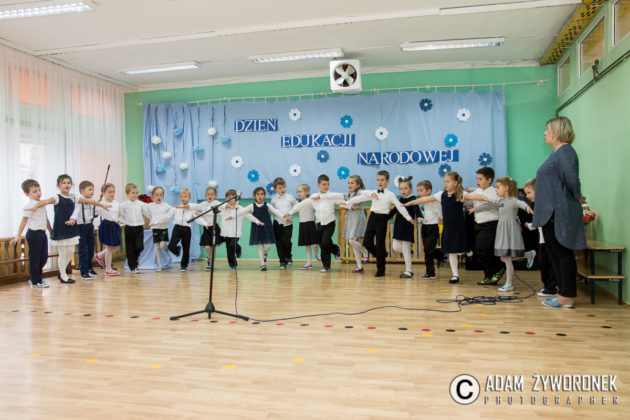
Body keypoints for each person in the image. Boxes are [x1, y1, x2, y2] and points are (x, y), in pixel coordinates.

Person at [532, 116, 586, 308]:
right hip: (550, 212)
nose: (544, 133)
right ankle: (562, 292)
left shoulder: (565, 153)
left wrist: (578, 196)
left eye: (547, 130)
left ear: (557, 131)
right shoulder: (557, 153)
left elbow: (572, 180)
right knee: (555, 254)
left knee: (562, 253)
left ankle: (566, 296)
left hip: (559, 211)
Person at [404, 172, 487, 284]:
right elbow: (425, 199)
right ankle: (455, 275)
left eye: (448, 182)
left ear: (456, 182)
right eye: (444, 182)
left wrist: (484, 198)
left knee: (461, 248)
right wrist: (410, 203)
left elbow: (472, 196)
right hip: (448, 227)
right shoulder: (441, 194)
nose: (445, 184)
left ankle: (467, 249)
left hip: (459, 226)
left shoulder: (460, 193)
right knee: (451, 251)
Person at [28, 174, 107, 283]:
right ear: (58, 185)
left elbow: (90, 201)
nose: (67, 185)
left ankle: (61, 272)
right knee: (63, 253)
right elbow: (45, 201)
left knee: (70, 253)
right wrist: (34, 207)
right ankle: (63, 275)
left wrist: (103, 206)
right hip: (61, 229)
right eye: (64, 183)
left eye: (68, 183)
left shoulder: (74, 197)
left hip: (71, 229)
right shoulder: (57, 197)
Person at [344, 170, 413, 278]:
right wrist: (347, 202)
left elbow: (399, 206)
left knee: (380, 243)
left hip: (382, 218)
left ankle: (381, 270)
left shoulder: (390, 194)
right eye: (378, 180)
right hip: (372, 217)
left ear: (387, 181)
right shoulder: (373, 192)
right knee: (367, 242)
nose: (380, 182)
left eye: (382, 180)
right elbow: (361, 196)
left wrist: (408, 218)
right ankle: (381, 254)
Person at [287, 174, 343, 273]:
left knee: (325, 242)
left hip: (330, 223)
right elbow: (301, 204)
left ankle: (334, 249)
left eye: (328, 184)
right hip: (319, 224)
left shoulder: (331, 196)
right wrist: (290, 212)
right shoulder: (314, 197)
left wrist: (349, 206)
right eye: (324, 184)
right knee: (322, 245)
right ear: (318, 185)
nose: (326, 186)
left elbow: (341, 199)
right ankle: (326, 265)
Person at [486, 177, 533, 292]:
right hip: (502, 230)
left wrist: (527, 207)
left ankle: (509, 284)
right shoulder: (500, 202)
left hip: (510, 230)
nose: (496, 190)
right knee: (504, 257)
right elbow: (489, 204)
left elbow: (521, 203)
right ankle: (528, 254)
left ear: (506, 188)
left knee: (506, 258)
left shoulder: (513, 200)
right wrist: (475, 208)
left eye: (498, 187)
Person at [10, 179, 52, 288]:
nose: (38, 193)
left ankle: (34, 277)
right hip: (34, 234)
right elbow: (24, 221)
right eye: (34, 191)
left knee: (44, 257)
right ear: (27, 194)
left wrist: (51, 230)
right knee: (35, 258)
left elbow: (46, 219)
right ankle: (36, 281)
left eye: (39, 190)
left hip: (42, 233)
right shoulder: (28, 206)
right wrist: (18, 235)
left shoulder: (41, 204)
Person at [152, 188, 204, 272]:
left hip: (187, 229)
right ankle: (177, 250)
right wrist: (157, 222)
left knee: (186, 248)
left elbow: (198, 219)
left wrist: (205, 224)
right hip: (177, 228)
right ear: (180, 198)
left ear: (189, 198)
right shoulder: (175, 208)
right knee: (171, 246)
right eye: (182, 196)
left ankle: (183, 266)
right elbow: (167, 216)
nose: (183, 198)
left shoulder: (192, 209)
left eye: (185, 196)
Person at [470, 167, 504, 286]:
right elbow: (466, 197)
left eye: (480, 179)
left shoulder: (494, 192)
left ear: (489, 180)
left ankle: (499, 268)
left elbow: (492, 204)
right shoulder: (476, 192)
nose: (477, 181)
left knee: (484, 249)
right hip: (478, 224)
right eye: (477, 179)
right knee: (480, 251)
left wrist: (477, 208)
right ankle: (488, 276)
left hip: (490, 224)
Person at [523, 178, 557, 297]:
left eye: (529, 193)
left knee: (548, 264)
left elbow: (541, 222)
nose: (527, 196)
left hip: (548, 240)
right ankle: (547, 286)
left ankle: (551, 287)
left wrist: (529, 225)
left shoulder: (544, 204)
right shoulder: (538, 205)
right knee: (543, 263)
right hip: (542, 239)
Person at [219, 189, 263, 270]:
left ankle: (239, 249)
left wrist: (257, 221)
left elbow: (249, 216)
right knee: (229, 249)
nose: (229, 199)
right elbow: (214, 209)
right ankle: (233, 265)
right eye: (227, 197)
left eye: (231, 197)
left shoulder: (240, 208)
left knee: (233, 245)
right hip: (226, 232)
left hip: (236, 232)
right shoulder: (223, 208)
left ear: (236, 198)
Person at [243, 187, 284, 271]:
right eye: (258, 194)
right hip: (257, 228)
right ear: (254, 196)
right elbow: (242, 211)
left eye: (262, 194)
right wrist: (233, 216)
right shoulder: (252, 205)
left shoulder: (267, 205)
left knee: (268, 246)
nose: (260, 196)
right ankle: (262, 264)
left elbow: (276, 212)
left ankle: (265, 253)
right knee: (260, 246)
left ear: (264, 195)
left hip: (267, 227)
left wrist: (284, 219)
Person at [388, 176, 421, 278]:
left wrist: (419, 217)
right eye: (401, 189)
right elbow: (394, 211)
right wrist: (384, 217)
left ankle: (408, 271)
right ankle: (409, 252)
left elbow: (416, 210)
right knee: (395, 247)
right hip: (398, 227)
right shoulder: (401, 199)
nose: (403, 191)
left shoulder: (413, 199)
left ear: (410, 189)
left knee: (405, 249)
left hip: (407, 227)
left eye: (405, 188)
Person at [69, 180, 101, 280]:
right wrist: (73, 219)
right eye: (90, 190)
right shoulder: (78, 200)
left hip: (90, 226)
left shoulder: (92, 202)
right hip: (80, 227)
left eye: (93, 190)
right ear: (82, 191)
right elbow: (76, 211)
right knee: (83, 250)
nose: (92, 192)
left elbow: (96, 213)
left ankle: (89, 267)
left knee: (91, 249)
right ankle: (84, 271)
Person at [118, 183, 151, 274]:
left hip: (139, 227)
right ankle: (133, 266)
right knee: (130, 248)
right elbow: (121, 215)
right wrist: (121, 221)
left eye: (136, 193)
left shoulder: (140, 204)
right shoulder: (123, 205)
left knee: (140, 246)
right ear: (127, 193)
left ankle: (135, 258)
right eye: (133, 193)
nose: (135, 195)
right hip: (129, 228)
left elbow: (147, 213)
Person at [187, 186, 222, 271]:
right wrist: (187, 206)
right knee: (207, 247)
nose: (210, 196)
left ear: (215, 196)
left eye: (212, 194)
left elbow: (220, 210)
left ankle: (211, 264)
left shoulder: (217, 203)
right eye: (208, 194)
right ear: (205, 195)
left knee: (213, 247)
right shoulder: (203, 204)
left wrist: (202, 213)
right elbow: (195, 206)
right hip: (206, 228)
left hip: (214, 228)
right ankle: (210, 258)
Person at [341, 175, 369, 273]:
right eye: (348, 183)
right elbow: (341, 203)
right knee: (353, 243)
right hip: (350, 219)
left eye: (352, 183)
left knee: (351, 241)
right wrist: (351, 207)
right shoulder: (348, 194)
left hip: (358, 219)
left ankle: (365, 252)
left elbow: (358, 199)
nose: (349, 185)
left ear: (358, 185)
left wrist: (348, 204)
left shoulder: (360, 192)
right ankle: (359, 266)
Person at [416, 180, 442, 279]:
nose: (419, 193)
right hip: (424, 227)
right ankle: (430, 272)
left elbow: (441, 214)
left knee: (428, 249)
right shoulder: (419, 202)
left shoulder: (434, 202)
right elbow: (419, 214)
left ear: (428, 191)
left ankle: (441, 255)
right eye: (418, 191)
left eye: (421, 190)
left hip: (433, 227)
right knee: (427, 251)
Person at [94, 183, 122, 276]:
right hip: (107, 226)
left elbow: (119, 213)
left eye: (113, 192)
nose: (112, 194)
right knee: (109, 248)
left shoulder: (116, 203)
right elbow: (106, 214)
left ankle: (99, 255)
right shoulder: (101, 204)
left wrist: (120, 220)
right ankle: (108, 269)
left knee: (116, 247)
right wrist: (116, 220)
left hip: (115, 226)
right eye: (109, 192)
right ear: (103, 193)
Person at [271, 177, 297, 269]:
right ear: (275, 189)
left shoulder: (290, 197)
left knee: (287, 242)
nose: (283, 189)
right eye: (280, 188)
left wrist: (290, 215)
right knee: (279, 243)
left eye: (284, 187)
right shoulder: (274, 199)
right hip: (277, 224)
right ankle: (282, 261)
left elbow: (296, 207)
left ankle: (288, 255)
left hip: (288, 224)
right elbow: (271, 211)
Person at [294, 184, 320, 270]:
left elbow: (317, 209)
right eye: (297, 192)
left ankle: (317, 254)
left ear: (306, 192)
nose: (298, 193)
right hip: (303, 225)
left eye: (300, 191)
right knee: (307, 245)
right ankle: (309, 263)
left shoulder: (310, 201)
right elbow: (293, 210)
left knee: (314, 244)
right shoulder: (298, 202)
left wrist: (317, 216)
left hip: (311, 224)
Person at [146, 186, 171, 271]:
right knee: (157, 246)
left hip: (163, 227)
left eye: (160, 195)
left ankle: (166, 248)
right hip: (155, 228)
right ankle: (160, 265)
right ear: (152, 196)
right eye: (156, 195)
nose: (158, 197)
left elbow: (171, 212)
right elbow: (148, 214)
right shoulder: (150, 206)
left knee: (162, 246)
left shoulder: (166, 206)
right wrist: (153, 221)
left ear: (163, 196)